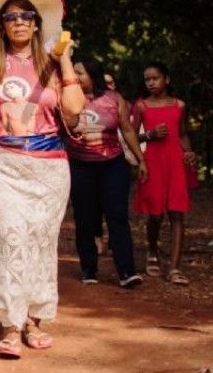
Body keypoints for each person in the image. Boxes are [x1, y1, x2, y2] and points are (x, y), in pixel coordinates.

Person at [0, 0, 84, 358]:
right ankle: (11, 325)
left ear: (36, 24)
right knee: (12, 238)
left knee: (41, 243)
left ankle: (35, 318)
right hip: (4, 164)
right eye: (11, 17)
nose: (18, 22)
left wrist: (64, 59)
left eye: (26, 16)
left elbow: (75, 110)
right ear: (1, 26)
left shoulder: (50, 64)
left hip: (49, 167)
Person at [66, 56, 148, 288]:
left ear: (93, 75)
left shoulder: (114, 99)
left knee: (117, 216)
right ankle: (89, 269)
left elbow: (128, 131)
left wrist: (141, 160)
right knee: (84, 218)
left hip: (112, 164)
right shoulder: (68, 99)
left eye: (80, 72)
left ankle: (126, 271)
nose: (75, 76)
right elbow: (62, 129)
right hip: (80, 165)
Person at [131, 61, 197, 285]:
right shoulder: (141, 106)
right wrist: (148, 135)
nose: (151, 83)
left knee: (177, 213)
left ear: (166, 79)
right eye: (147, 79)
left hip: (176, 162)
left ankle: (175, 268)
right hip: (153, 162)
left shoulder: (179, 105)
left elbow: (183, 134)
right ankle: (152, 250)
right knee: (156, 214)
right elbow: (131, 136)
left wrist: (189, 153)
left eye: (155, 78)